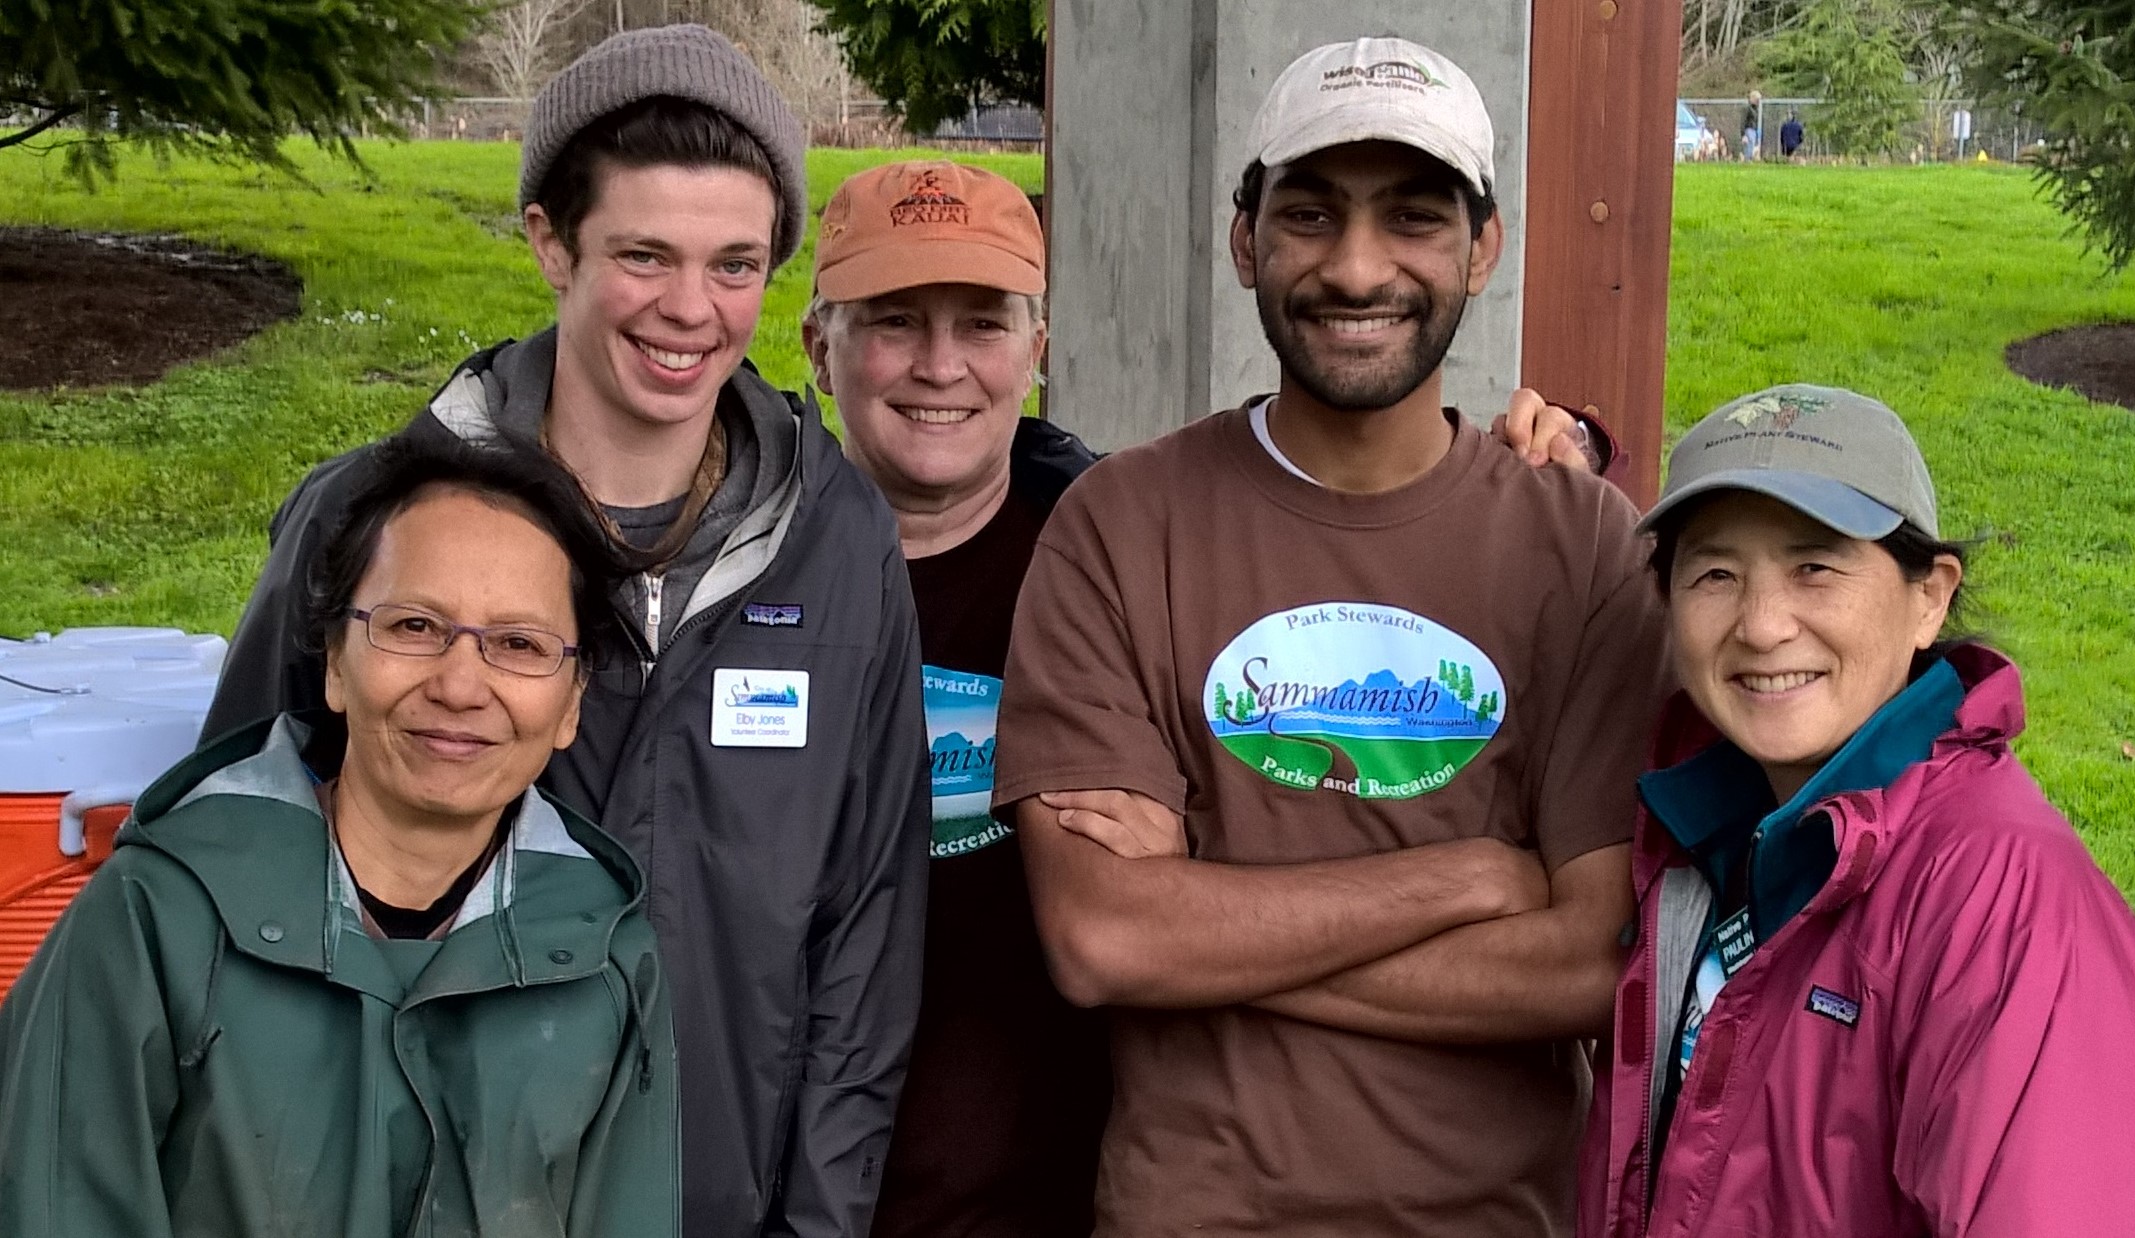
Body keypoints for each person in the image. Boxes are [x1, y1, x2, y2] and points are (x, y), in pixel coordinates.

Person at [198, 26, 931, 1238]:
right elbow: (232, 854)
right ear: (550, 240)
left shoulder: (836, 533)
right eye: (645, 254)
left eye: (737, 264)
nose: (692, 310)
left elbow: (869, 927)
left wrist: (821, 1220)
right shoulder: (377, 516)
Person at [991, 37, 1668, 1237]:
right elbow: (1101, 936)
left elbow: (1589, 964)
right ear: (1245, 236)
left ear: (1484, 244)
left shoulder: (1584, 547)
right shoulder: (1122, 526)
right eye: (1310, 213)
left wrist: (1207, 921)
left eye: (1412, 216)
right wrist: (1469, 877)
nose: (1358, 269)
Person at [0, 437, 678, 1238]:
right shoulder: (156, 918)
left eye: (520, 645)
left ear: (571, 702)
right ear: (334, 660)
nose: (460, 686)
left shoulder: (605, 952)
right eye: (415, 625)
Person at [1578, 385, 2135, 1237]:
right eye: (1716, 572)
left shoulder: (2012, 906)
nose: (1761, 625)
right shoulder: (1711, 834)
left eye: (1816, 567)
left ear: (1930, 597)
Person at [800, 158, 1109, 1238]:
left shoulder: (1112, 567)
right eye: (892, 321)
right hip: (779, 1191)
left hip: (1046, 1192)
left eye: (982, 324)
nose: (939, 367)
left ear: (1037, 351)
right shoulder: (728, 576)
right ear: (817, 349)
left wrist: (1558, 446)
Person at [1741, 89, 1763, 161]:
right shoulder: (1747, 108)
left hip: (1754, 130)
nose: (1758, 101)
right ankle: (1747, 160)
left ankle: (1749, 159)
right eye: (1757, 99)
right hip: (1748, 129)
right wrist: (1743, 134)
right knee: (1749, 147)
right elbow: (1743, 121)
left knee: (1752, 147)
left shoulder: (1756, 109)